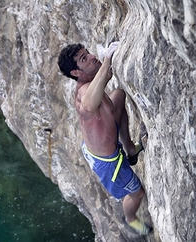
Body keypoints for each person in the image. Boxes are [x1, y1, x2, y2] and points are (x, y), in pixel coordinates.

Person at [57, 42, 151, 235]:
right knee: (136, 192)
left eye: (88, 53)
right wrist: (107, 60)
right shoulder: (83, 92)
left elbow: (104, 80)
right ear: (76, 73)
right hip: (107, 162)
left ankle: (130, 150)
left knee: (118, 95)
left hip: (99, 140)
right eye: (84, 59)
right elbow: (89, 104)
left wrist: (103, 64)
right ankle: (130, 219)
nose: (91, 57)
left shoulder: (91, 81)